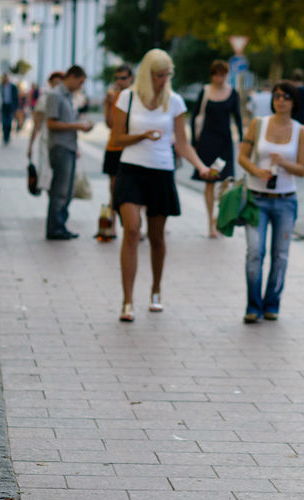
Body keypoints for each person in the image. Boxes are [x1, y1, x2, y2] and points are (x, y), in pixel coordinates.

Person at [110, 49, 212, 321]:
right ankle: (127, 300)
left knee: (157, 237)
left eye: (167, 75)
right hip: (131, 169)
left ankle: (156, 290)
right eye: (158, 75)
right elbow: (117, 138)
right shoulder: (127, 97)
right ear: (147, 74)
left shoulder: (175, 101)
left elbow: (182, 142)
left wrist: (201, 166)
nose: (163, 80)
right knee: (131, 231)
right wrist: (141, 135)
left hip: (161, 171)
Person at [237, 81, 304, 323]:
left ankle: (272, 304)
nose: (281, 100)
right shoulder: (259, 124)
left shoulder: (301, 131)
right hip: (256, 198)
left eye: (286, 97)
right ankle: (253, 306)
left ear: (293, 102)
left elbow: (301, 169)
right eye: (277, 96)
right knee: (255, 252)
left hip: (285, 201)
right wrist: (256, 171)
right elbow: (242, 157)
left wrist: (283, 163)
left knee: (280, 256)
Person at [191, 59, 243, 237]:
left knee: (226, 181)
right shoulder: (205, 91)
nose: (219, 78)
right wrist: (194, 142)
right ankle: (210, 223)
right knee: (210, 183)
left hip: (225, 142)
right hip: (207, 142)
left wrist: (242, 140)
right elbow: (195, 116)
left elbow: (238, 117)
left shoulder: (232, 93)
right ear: (212, 75)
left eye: (222, 74)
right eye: (216, 74)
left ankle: (217, 218)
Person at [44, 65, 93, 240]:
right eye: (79, 82)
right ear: (71, 76)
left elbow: (66, 121)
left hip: (69, 146)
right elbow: (51, 123)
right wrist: (77, 126)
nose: (80, 86)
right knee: (60, 190)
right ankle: (54, 227)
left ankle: (60, 224)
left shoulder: (68, 96)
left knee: (67, 189)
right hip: (60, 147)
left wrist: (80, 125)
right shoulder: (55, 95)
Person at [27, 71, 64, 193]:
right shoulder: (44, 99)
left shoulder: (66, 99)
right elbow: (36, 124)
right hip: (47, 141)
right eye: (56, 83)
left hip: (62, 142)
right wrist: (30, 146)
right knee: (48, 177)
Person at [103, 64, 134, 200]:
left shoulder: (135, 97)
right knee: (113, 186)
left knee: (131, 186)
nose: (119, 81)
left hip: (131, 147)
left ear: (130, 78)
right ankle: (113, 218)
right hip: (114, 146)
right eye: (117, 78)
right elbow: (110, 124)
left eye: (123, 78)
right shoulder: (113, 97)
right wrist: (110, 104)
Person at [0, 73, 19, 144]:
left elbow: (16, 98)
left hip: (10, 106)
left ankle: (8, 136)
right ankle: (5, 136)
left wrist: (16, 108)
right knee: (4, 122)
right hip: (4, 106)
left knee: (9, 122)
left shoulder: (13, 87)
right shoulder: (1, 86)